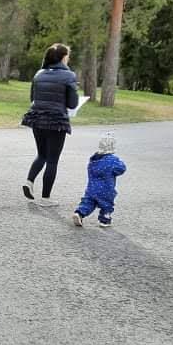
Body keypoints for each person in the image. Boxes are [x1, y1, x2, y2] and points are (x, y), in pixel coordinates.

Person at [21, 43, 79, 207]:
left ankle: (29, 181)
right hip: (56, 121)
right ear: (63, 57)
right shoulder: (68, 76)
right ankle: (45, 198)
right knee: (52, 160)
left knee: (42, 155)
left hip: (37, 118)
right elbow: (72, 104)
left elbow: (32, 98)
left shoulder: (39, 74)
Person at [73, 132, 127, 228]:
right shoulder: (112, 160)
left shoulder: (93, 159)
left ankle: (79, 213)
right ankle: (104, 220)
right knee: (107, 205)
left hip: (91, 188)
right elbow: (121, 169)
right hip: (106, 189)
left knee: (88, 202)